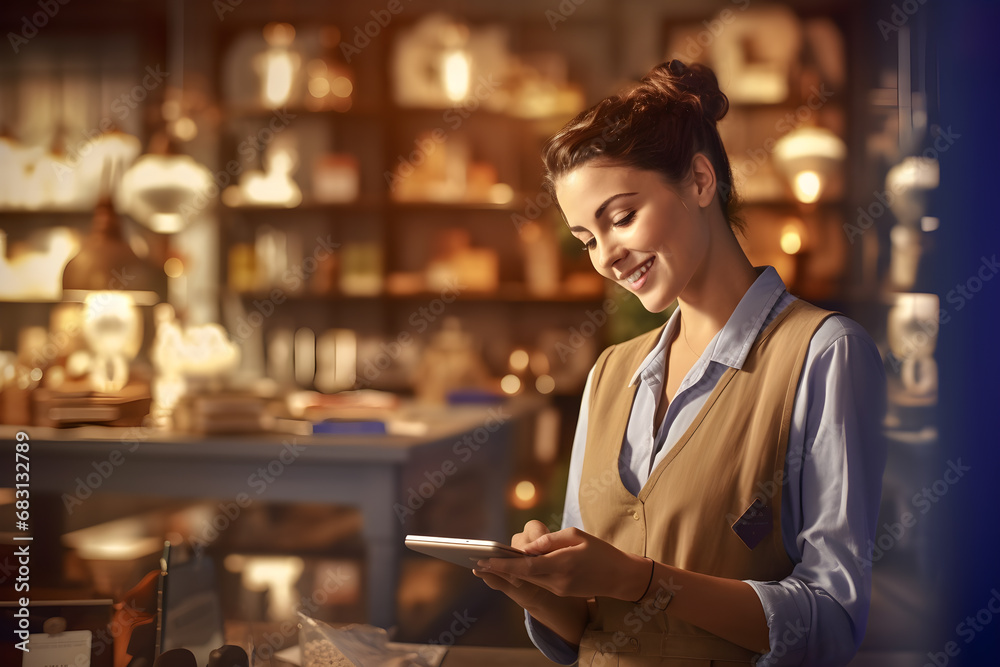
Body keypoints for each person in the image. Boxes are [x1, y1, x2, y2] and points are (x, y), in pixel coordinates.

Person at [473, 60, 887, 666]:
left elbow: (830, 623)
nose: (607, 258)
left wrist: (641, 582)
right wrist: (536, 590)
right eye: (587, 239)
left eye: (620, 218)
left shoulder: (824, 354)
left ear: (698, 181)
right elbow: (595, 621)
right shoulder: (610, 373)